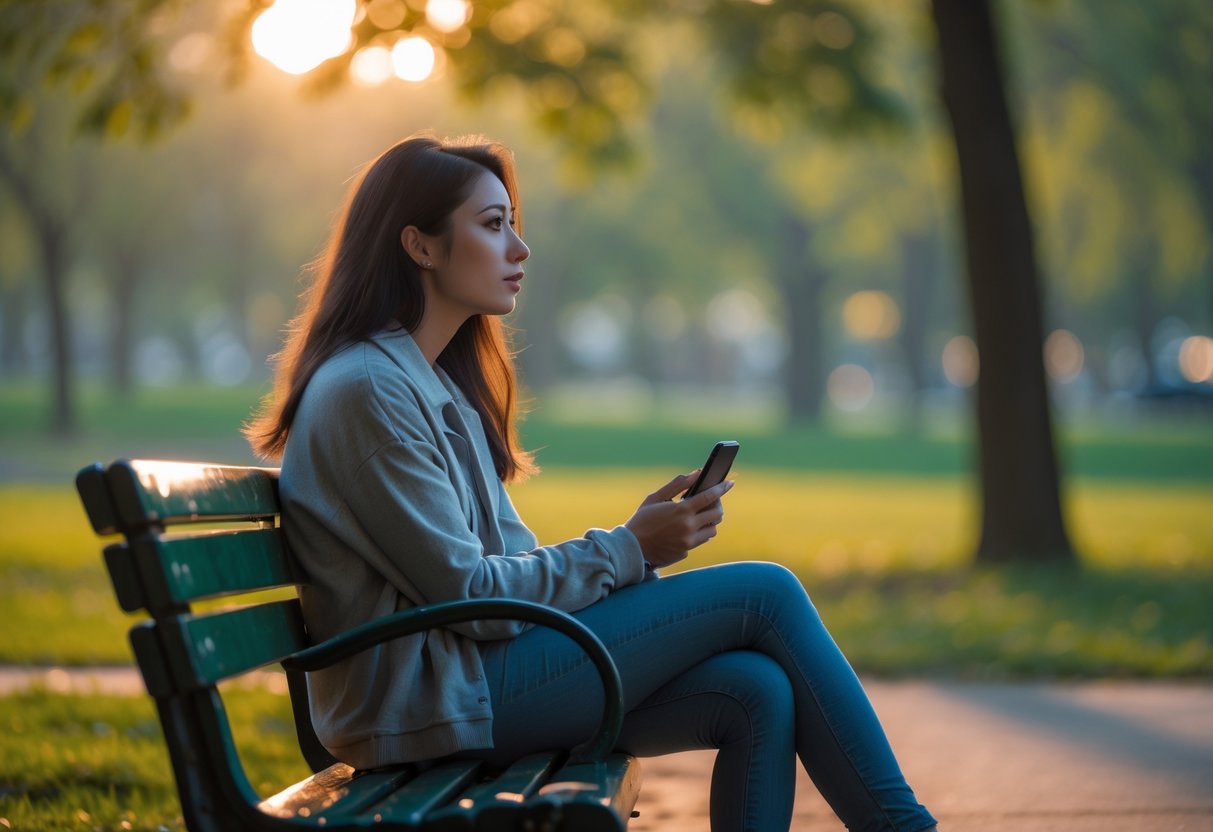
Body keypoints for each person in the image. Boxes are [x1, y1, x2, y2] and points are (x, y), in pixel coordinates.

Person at [246, 133, 938, 832]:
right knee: (767, 592)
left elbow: (496, 576)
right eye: (492, 225)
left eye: (513, 222)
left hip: (463, 678)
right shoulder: (370, 390)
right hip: (429, 704)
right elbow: (473, 598)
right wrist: (626, 551)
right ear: (419, 246)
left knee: (754, 691)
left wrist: (632, 550)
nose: (519, 248)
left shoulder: (421, 383)